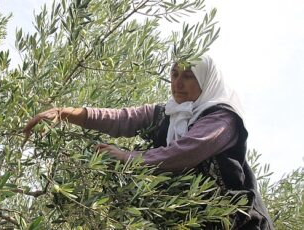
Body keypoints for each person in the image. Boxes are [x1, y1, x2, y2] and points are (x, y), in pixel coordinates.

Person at [23, 55, 274, 229]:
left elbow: (184, 153)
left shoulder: (223, 117)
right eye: (174, 74)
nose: (178, 83)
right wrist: (64, 113)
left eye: (188, 76)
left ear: (206, 80)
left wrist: (127, 158)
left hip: (241, 223)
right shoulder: (167, 113)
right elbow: (122, 119)